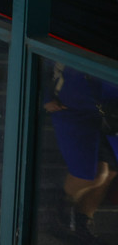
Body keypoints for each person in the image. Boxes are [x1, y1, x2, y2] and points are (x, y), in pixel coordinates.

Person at [43, 64, 118, 243]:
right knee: (89, 175)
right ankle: (57, 211)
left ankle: (81, 222)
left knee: (109, 172)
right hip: (73, 106)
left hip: (111, 110)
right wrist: (46, 94)